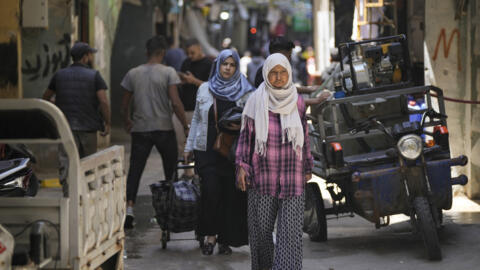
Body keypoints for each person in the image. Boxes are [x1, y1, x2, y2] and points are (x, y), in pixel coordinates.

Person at [236, 53, 313, 270]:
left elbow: (304, 137)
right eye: (273, 73)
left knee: (291, 233)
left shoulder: (297, 101)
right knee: (261, 232)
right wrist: (242, 166)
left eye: (282, 73)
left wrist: (308, 166)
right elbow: (245, 138)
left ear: (289, 73)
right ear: (266, 75)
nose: (278, 77)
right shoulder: (255, 100)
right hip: (263, 176)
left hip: (292, 176)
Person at [184, 49, 254, 255]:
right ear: (218, 65)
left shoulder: (246, 90)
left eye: (232, 65)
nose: (227, 68)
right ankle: (211, 235)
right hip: (207, 149)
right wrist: (188, 147)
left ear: (237, 67)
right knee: (211, 191)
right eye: (225, 64)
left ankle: (226, 239)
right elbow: (197, 119)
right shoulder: (205, 89)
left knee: (232, 195)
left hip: (234, 151)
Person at [121, 36, 188, 229]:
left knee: (135, 169)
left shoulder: (133, 73)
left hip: (140, 129)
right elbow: (175, 102)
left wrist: (127, 120)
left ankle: (129, 209)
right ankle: (169, 208)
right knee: (170, 169)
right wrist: (184, 125)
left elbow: (124, 103)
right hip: (163, 128)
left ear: (146, 52)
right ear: (163, 53)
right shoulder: (168, 72)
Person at [42, 41, 110, 196]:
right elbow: (104, 102)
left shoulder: (59, 75)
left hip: (65, 127)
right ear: (85, 57)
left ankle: (68, 195)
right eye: (90, 54)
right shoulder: (94, 76)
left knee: (66, 162)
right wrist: (108, 122)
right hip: (88, 128)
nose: (91, 57)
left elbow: (45, 98)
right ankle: (87, 196)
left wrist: (57, 105)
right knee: (88, 163)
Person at [174, 38, 213, 179]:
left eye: (193, 52)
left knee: (199, 142)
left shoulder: (209, 65)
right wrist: (182, 80)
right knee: (181, 142)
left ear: (199, 48)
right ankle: (187, 172)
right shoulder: (186, 63)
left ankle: (200, 172)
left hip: (200, 109)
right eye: (188, 53)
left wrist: (194, 81)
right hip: (184, 108)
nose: (190, 56)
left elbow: (212, 87)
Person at [254, 36, 332, 106]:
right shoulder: (268, 73)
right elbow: (281, 102)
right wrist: (316, 100)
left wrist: (308, 89)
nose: (289, 59)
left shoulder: (274, 70)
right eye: (288, 56)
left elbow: (285, 90)